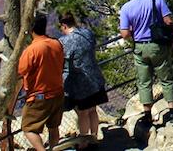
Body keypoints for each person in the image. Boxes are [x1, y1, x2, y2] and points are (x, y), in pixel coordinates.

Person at [117, 0, 173, 123]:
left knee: (144, 82)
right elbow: (168, 21)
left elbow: (124, 34)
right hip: (158, 45)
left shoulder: (126, 8)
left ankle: (147, 115)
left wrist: (134, 30)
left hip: (140, 47)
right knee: (166, 78)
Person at [58, 12, 108, 147]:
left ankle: (84, 143)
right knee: (93, 110)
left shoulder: (65, 41)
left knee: (83, 113)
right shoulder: (88, 33)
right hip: (95, 77)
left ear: (63, 25)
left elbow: (63, 62)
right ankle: (94, 138)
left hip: (80, 82)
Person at [18, 12, 65, 151]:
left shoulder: (32, 50)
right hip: (57, 93)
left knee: (28, 128)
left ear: (31, 29)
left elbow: (21, 70)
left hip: (39, 96)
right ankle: (53, 149)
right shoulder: (56, 43)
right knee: (53, 126)